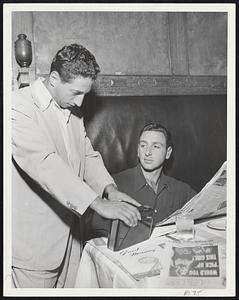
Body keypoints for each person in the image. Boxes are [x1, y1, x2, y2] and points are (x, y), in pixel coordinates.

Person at [11, 43, 141, 288]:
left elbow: (87, 155)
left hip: (72, 238)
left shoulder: (73, 112)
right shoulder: (17, 106)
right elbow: (45, 163)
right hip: (35, 247)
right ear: (53, 78)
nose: (81, 103)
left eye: (85, 94)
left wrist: (110, 190)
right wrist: (97, 202)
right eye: (75, 93)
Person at [91, 122, 196, 237]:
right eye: (143, 145)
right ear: (137, 150)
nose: (147, 152)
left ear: (168, 153)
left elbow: (205, 212)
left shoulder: (181, 190)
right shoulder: (114, 187)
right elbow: (98, 237)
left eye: (156, 146)